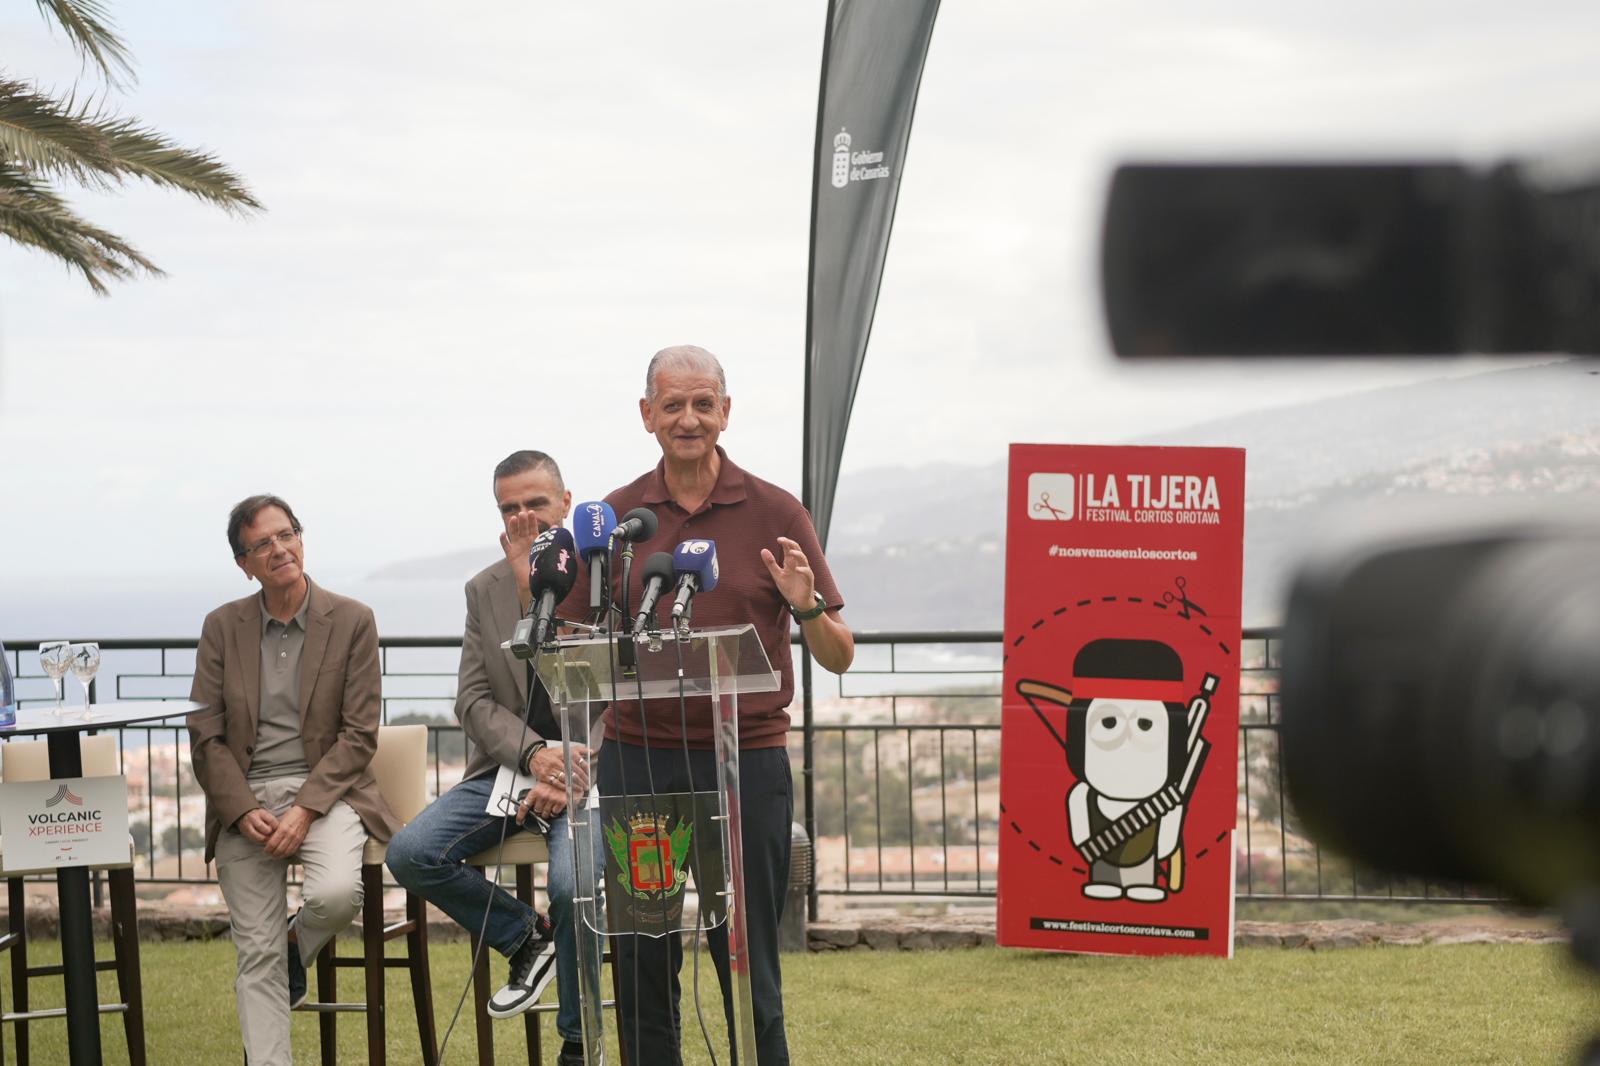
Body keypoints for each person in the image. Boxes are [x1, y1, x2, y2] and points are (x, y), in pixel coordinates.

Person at [562, 345, 854, 1066]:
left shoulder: (776, 511)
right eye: (672, 406)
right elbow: (573, 639)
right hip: (641, 766)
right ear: (646, 415)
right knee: (643, 958)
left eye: (702, 404)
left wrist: (807, 604)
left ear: (726, 411)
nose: (688, 420)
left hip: (746, 762)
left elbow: (839, 653)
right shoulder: (617, 518)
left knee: (748, 954)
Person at [385, 450, 607, 1064]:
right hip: (509, 770)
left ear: (566, 502)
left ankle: (576, 1043)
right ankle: (525, 938)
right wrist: (536, 755)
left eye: (536, 503)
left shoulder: (606, 577)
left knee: (571, 884)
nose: (524, 518)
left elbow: (619, 694)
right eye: (510, 508)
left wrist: (569, 769)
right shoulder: (483, 587)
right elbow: (472, 699)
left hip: (591, 771)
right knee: (411, 853)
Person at [188, 494, 400, 1066]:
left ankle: (292, 944)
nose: (280, 548)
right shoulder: (221, 627)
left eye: (287, 534)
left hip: (326, 794)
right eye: (263, 543)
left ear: (301, 538)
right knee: (253, 954)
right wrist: (240, 809)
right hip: (247, 801)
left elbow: (358, 734)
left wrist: (304, 809)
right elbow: (205, 734)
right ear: (244, 563)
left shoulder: (353, 619)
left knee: (333, 896)